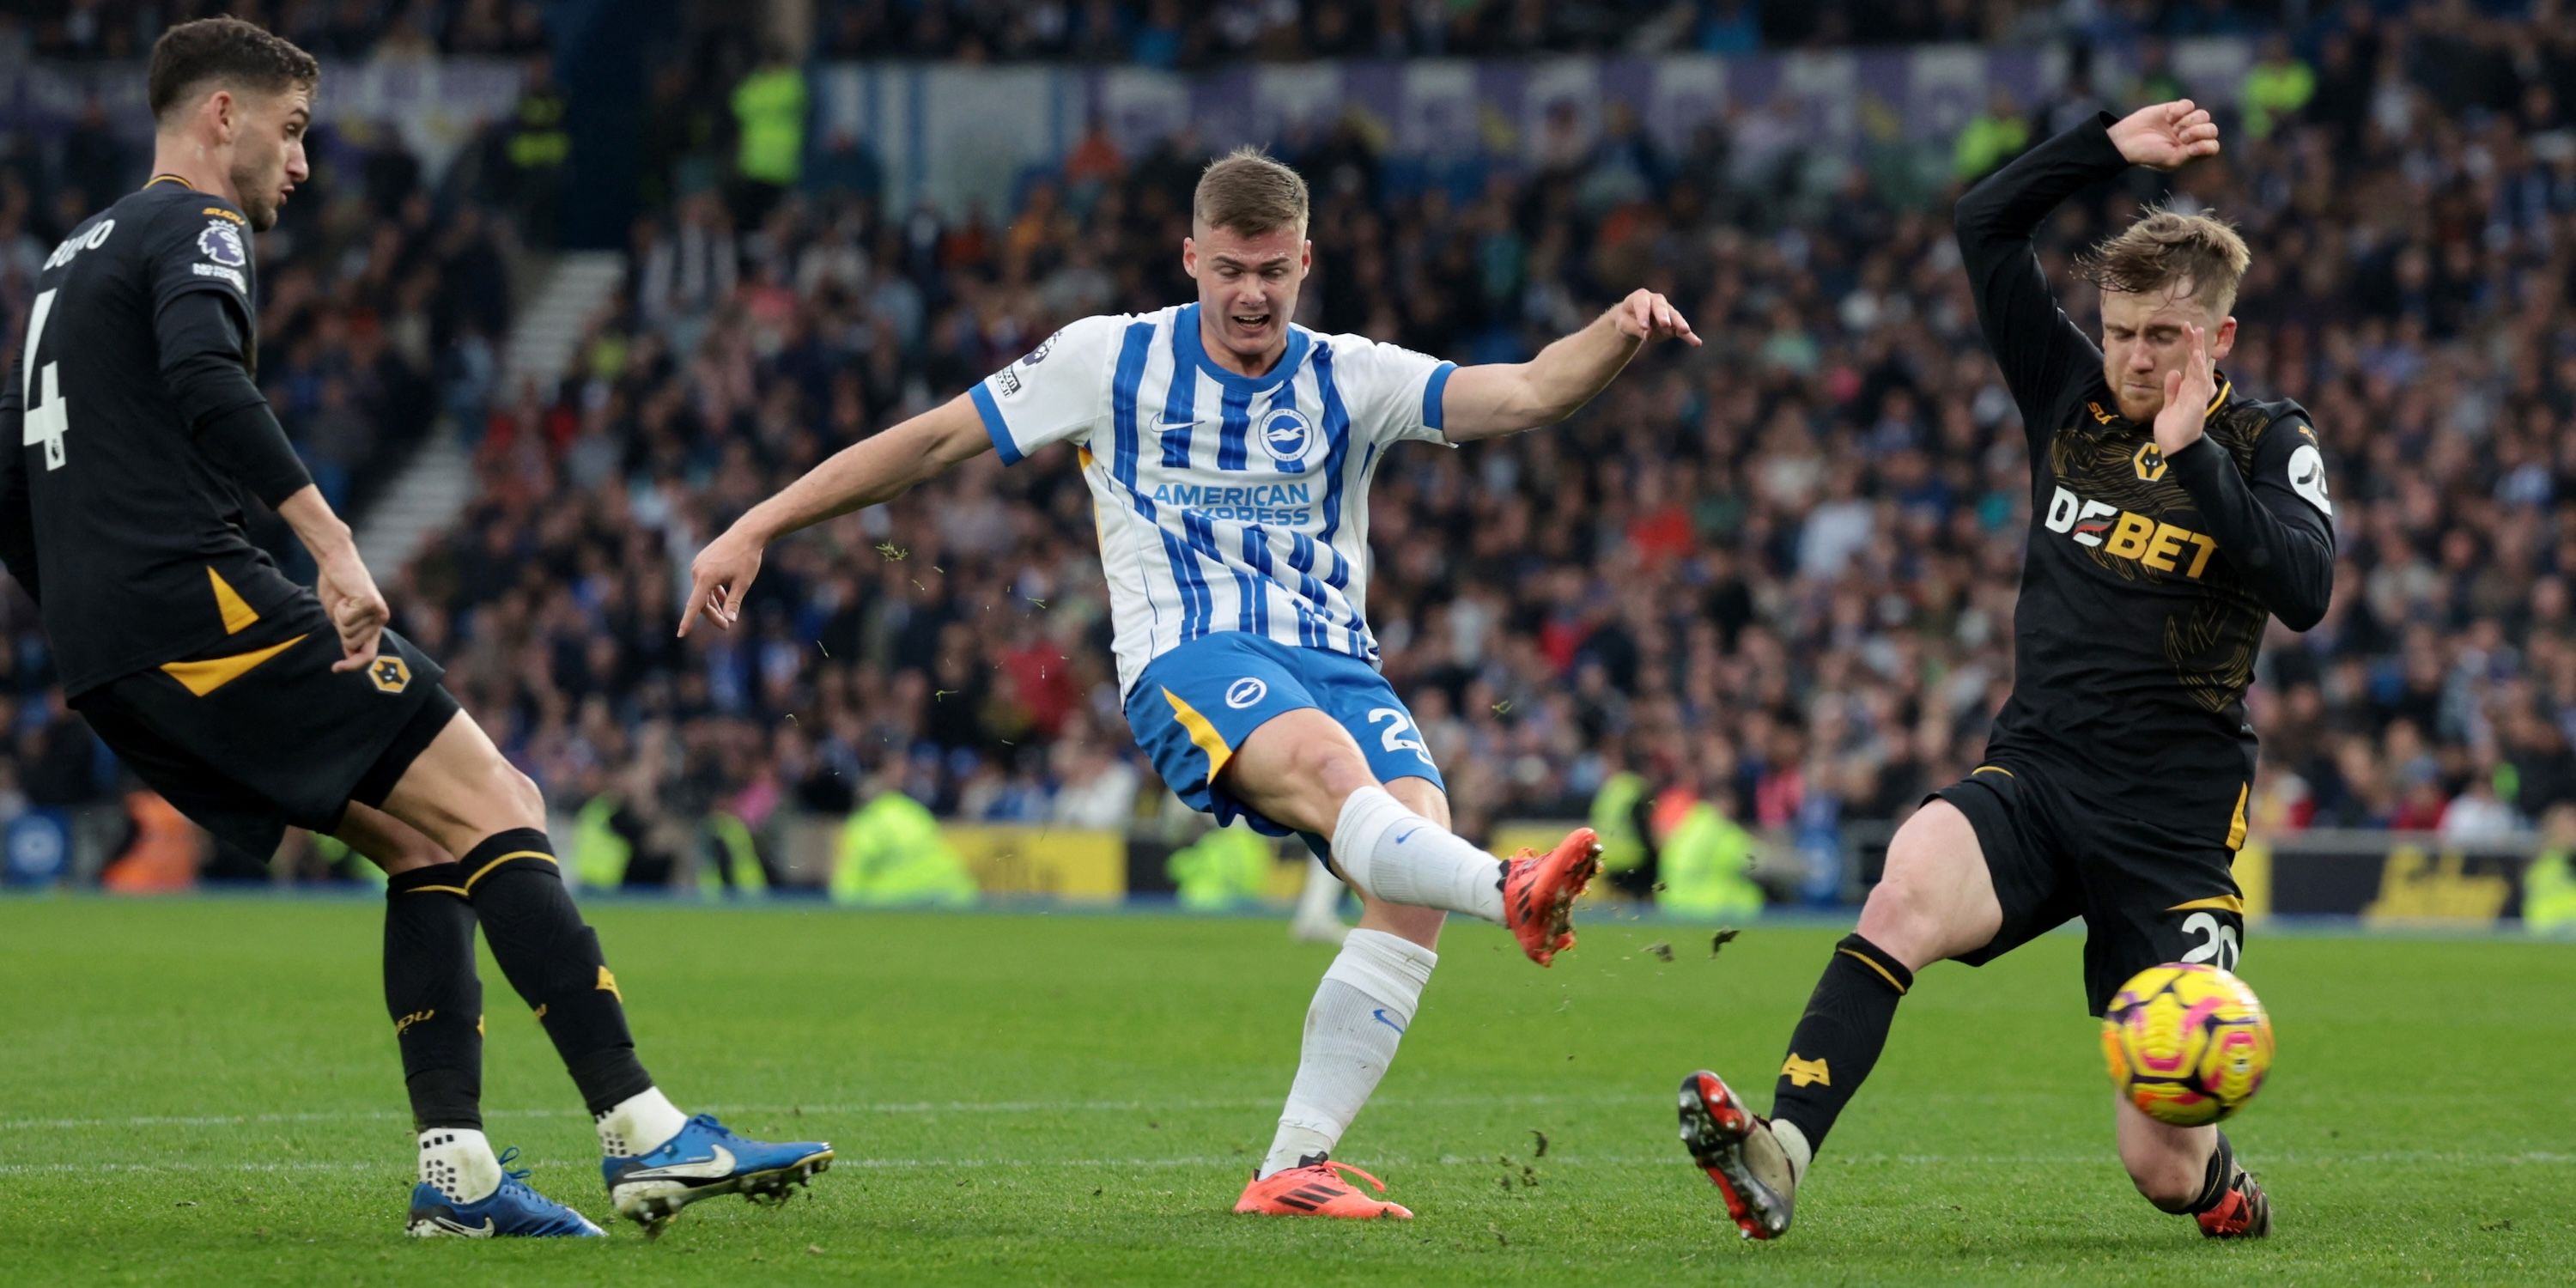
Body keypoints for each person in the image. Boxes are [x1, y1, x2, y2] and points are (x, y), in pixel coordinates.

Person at [683, 145, 1699, 1218]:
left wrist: (1619, 328)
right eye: (1228, 270)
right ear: (1190, 260)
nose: (1251, 293)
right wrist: (758, 523)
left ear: (1306, 261)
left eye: (1271, 270)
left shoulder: (1351, 376)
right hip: (1191, 655)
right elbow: (935, 440)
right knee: (1327, 766)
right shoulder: (1105, 360)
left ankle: (1292, 1168)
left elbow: (1532, 392)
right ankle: (1510, 888)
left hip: (1336, 657)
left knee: (1411, 858)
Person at [0, 18, 829, 1239]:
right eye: (289, 132)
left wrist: (82, 612)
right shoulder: (197, 223)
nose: (300, 164)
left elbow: (17, 482)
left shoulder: (71, 260)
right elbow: (208, 378)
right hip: (201, 603)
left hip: (115, 646)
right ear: (219, 114)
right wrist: (331, 544)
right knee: (502, 797)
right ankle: (646, 1131)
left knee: (425, 844)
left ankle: (459, 1176)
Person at [1676, 100, 2330, 1242]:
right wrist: (2102, 150)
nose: (2133, 357)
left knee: (2159, 1168)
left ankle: (2219, 1181)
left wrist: (2198, 472)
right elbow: (1983, 224)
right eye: (2121, 330)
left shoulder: (2270, 442)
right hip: (2040, 771)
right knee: (1904, 888)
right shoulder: (2069, 397)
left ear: (2218, 341)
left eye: (2164, 338)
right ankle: (1782, 1148)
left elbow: (2307, 590)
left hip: (2172, 826)